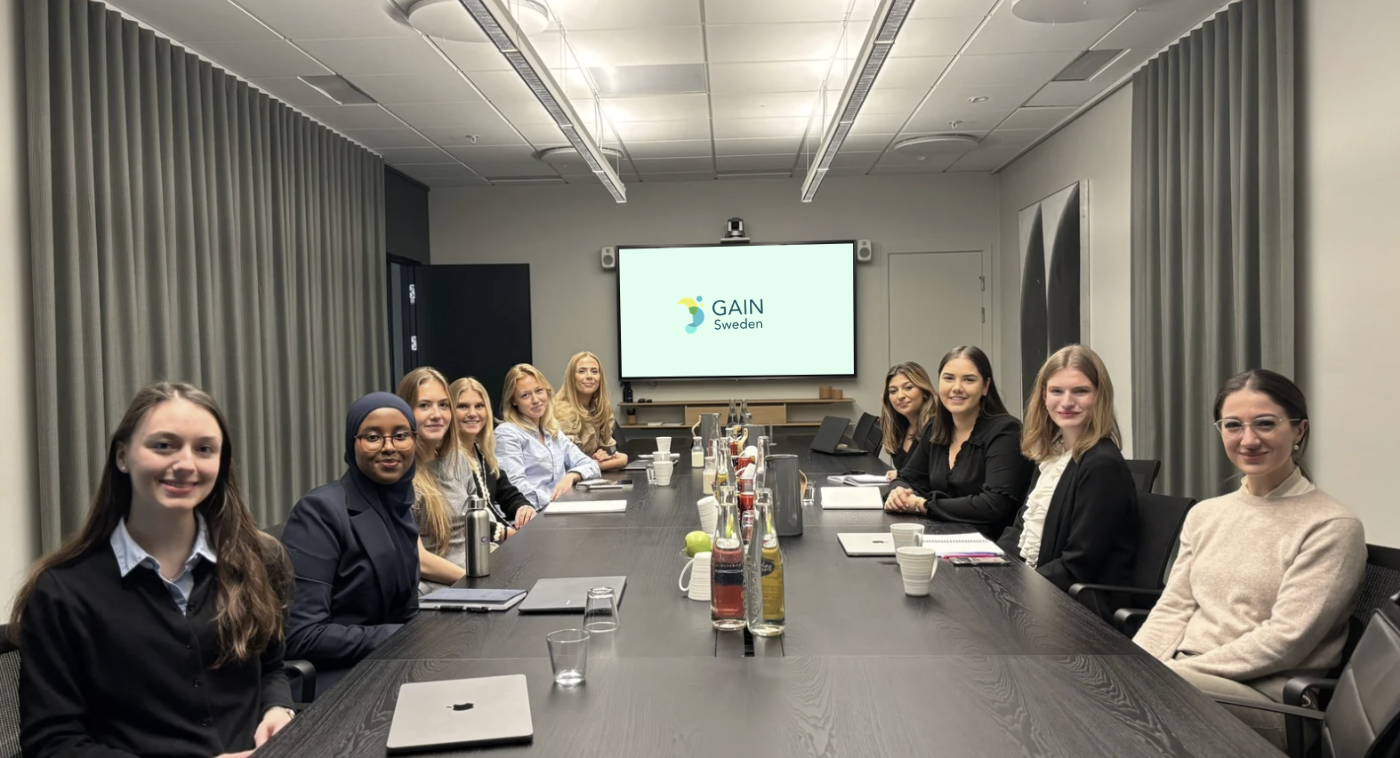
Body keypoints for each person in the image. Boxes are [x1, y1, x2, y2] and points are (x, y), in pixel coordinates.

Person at [11, 382, 294, 758]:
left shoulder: (255, 561)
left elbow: (271, 668)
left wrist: (277, 709)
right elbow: (52, 742)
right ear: (122, 456)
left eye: (204, 449)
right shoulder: (62, 591)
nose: (186, 464)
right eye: (164, 445)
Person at [1133, 369, 1366, 749]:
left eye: (1265, 424)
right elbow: (1173, 607)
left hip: (1270, 702)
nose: (1249, 439)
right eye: (1233, 425)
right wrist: (1137, 663)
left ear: (1299, 430)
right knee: (1099, 677)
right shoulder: (1206, 514)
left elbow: (1284, 641)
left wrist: (1165, 674)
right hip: (1182, 676)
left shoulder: (1332, 526)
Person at [282, 392, 421, 695]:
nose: (388, 447)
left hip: (393, 664)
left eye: (400, 436)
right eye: (373, 437)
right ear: (351, 442)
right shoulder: (320, 511)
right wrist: (405, 637)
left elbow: (405, 608)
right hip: (338, 681)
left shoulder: (400, 506)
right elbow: (302, 635)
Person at [995, 345, 1137, 593]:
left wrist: (1012, 588)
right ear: (1044, 396)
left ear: (1099, 395)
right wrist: (991, 567)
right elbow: (1020, 529)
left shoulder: (1102, 464)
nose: (1067, 402)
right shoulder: (1053, 453)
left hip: (1076, 604)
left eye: (1080, 391)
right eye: (1056, 391)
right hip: (1041, 587)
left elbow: (1078, 565)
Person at [885, 345, 1032, 539]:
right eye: (948, 378)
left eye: (969, 379)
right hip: (942, 536)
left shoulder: (1006, 432)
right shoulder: (935, 428)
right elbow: (908, 478)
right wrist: (898, 492)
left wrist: (923, 505)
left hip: (991, 546)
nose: (956, 388)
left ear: (985, 386)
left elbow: (993, 505)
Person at [495, 363, 601, 510]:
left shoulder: (552, 431)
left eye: (539, 391)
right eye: (525, 395)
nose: (535, 400)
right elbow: (515, 488)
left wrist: (572, 476)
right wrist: (558, 504)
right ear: (513, 401)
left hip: (558, 510)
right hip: (532, 514)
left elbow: (592, 466)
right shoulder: (507, 433)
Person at [450, 376, 537, 538]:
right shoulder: (448, 460)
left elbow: (509, 494)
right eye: (462, 406)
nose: (472, 413)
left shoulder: (482, 454)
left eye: (479, 406)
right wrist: (504, 533)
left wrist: (524, 508)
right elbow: (460, 517)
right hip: (472, 545)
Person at [554, 351, 628, 471]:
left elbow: (606, 449)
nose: (589, 376)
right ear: (571, 377)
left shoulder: (600, 408)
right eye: (582, 371)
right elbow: (570, 464)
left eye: (594, 371)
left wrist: (601, 454)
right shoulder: (562, 411)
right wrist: (619, 461)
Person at [879, 362, 937, 481]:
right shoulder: (898, 429)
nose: (900, 396)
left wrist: (901, 475)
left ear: (924, 392)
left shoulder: (936, 428)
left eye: (908, 388)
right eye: (893, 391)